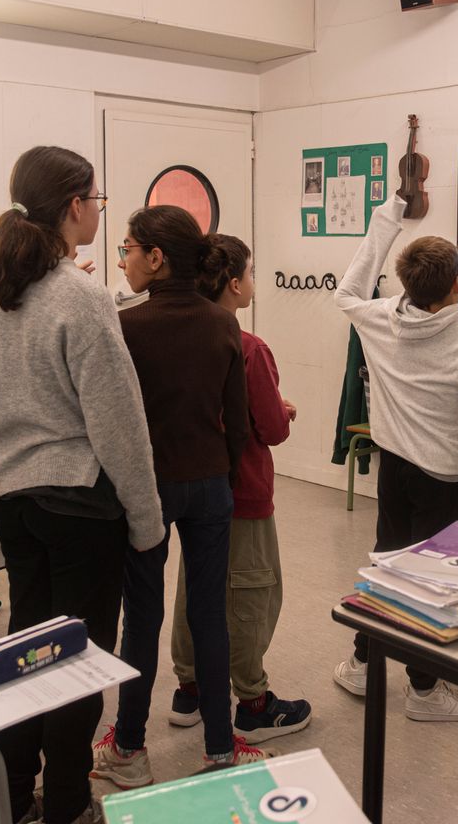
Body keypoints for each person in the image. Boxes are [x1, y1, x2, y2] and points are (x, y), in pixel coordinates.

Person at [0, 147, 164, 824]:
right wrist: (147, 521)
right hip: (78, 504)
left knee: (26, 651)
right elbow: (118, 424)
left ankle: (17, 791)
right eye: (97, 200)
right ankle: (67, 806)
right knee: (75, 663)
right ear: (73, 206)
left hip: (12, 497)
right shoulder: (78, 296)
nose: (99, 212)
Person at [92, 205, 262, 785]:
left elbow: (114, 419)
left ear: (157, 258)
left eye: (128, 249)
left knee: (141, 619)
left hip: (146, 491)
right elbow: (237, 421)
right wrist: (226, 476)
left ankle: (131, 750)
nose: (123, 259)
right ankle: (220, 749)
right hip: (211, 485)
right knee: (209, 615)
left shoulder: (128, 326)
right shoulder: (223, 324)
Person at [332, 194, 458, 722]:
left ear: (405, 284)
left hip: (395, 470)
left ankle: (363, 664)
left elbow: (347, 289)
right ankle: (425, 691)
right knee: (430, 583)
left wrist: (386, 219)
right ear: (457, 285)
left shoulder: (378, 318)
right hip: (442, 477)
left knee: (387, 564)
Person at [167, 235, 312, 744]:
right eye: (250, 273)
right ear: (233, 283)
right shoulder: (248, 347)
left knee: (196, 586)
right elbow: (269, 430)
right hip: (243, 490)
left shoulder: (172, 332)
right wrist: (281, 409)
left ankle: (188, 689)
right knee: (252, 591)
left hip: (191, 488)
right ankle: (252, 700)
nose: (254, 282)